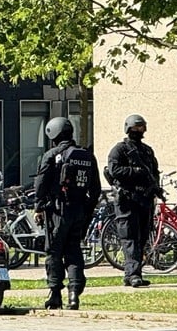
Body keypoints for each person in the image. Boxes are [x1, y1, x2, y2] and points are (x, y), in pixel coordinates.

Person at [34, 117, 100, 310]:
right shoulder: (87, 156)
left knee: (53, 252)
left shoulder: (52, 155)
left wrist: (38, 207)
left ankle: (55, 294)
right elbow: (95, 189)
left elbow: (41, 185)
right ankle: (74, 295)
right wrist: (86, 209)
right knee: (74, 251)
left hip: (57, 210)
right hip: (79, 209)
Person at [107, 114, 161, 288]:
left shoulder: (146, 151)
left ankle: (133, 273)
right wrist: (135, 171)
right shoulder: (120, 150)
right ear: (128, 129)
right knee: (129, 237)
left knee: (143, 237)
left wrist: (155, 188)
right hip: (127, 199)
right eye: (135, 128)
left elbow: (154, 172)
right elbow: (114, 170)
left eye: (141, 127)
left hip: (144, 199)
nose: (139, 131)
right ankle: (133, 274)